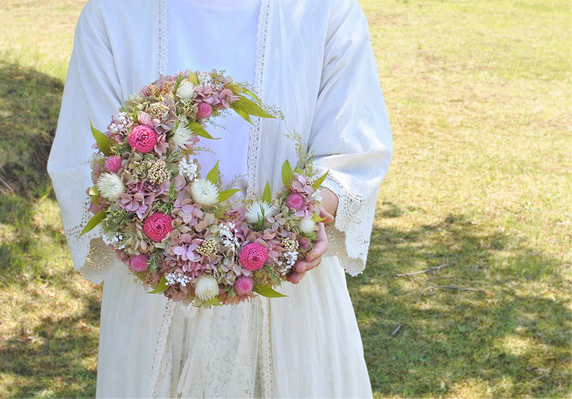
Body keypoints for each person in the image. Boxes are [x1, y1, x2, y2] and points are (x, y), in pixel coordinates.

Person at [48, 0, 393, 397]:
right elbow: (84, 159)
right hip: (155, 297)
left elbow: (354, 147)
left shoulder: (324, 10)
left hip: (289, 298)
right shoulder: (113, 14)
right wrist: (165, 248)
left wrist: (313, 211)